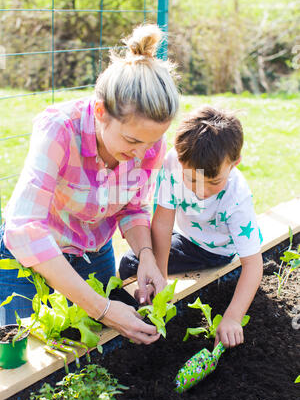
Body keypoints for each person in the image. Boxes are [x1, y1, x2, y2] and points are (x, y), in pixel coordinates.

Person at [0, 23, 179, 345]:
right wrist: (102, 308)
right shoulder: (59, 129)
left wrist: (147, 256)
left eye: (150, 142)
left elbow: (133, 208)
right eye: (132, 140)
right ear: (100, 112)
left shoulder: (149, 143)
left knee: (90, 351)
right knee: (21, 360)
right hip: (29, 259)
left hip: (93, 253)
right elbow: (24, 228)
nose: (142, 153)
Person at [119, 106, 263, 348]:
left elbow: (253, 265)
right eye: (192, 179)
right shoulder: (174, 163)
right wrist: (160, 280)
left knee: (130, 265)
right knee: (135, 264)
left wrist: (232, 318)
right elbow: (163, 222)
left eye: (214, 182)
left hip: (214, 250)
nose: (201, 190)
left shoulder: (237, 198)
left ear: (235, 163)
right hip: (186, 236)